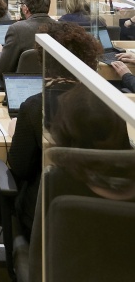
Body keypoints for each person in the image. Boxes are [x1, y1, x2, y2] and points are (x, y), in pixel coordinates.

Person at [7, 21, 103, 240]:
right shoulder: (111, 107)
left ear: (43, 60)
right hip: (103, 221)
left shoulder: (35, 107)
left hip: (46, 220)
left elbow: (19, 168)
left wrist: (15, 133)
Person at [0, 0, 53, 79]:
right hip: (54, 87)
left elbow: (1, 70)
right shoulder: (61, 28)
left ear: (25, 9)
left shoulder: (17, 30)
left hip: (21, 87)